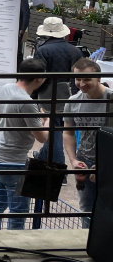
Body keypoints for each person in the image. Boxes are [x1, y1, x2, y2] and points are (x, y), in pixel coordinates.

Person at [0, 58, 49, 230]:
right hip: (14, 161)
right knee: (19, 209)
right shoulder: (27, 103)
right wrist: (46, 121)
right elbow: (42, 138)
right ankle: (13, 245)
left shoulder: (5, 88)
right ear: (39, 79)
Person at [64, 58, 113, 227]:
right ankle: (86, 242)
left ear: (98, 78)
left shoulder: (110, 100)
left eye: (87, 79)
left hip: (108, 163)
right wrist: (73, 160)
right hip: (84, 160)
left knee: (107, 207)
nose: (81, 83)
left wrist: (102, 164)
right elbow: (68, 132)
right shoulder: (73, 102)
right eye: (78, 79)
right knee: (86, 208)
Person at [32, 16, 83, 168]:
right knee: (60, 129)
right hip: (71, 95)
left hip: (48, 95)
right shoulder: (75, 51)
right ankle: (42, 157)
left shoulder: (42, 50)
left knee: (53, 131)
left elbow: (37, 76)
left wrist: (33, 97)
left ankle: (58, 166)